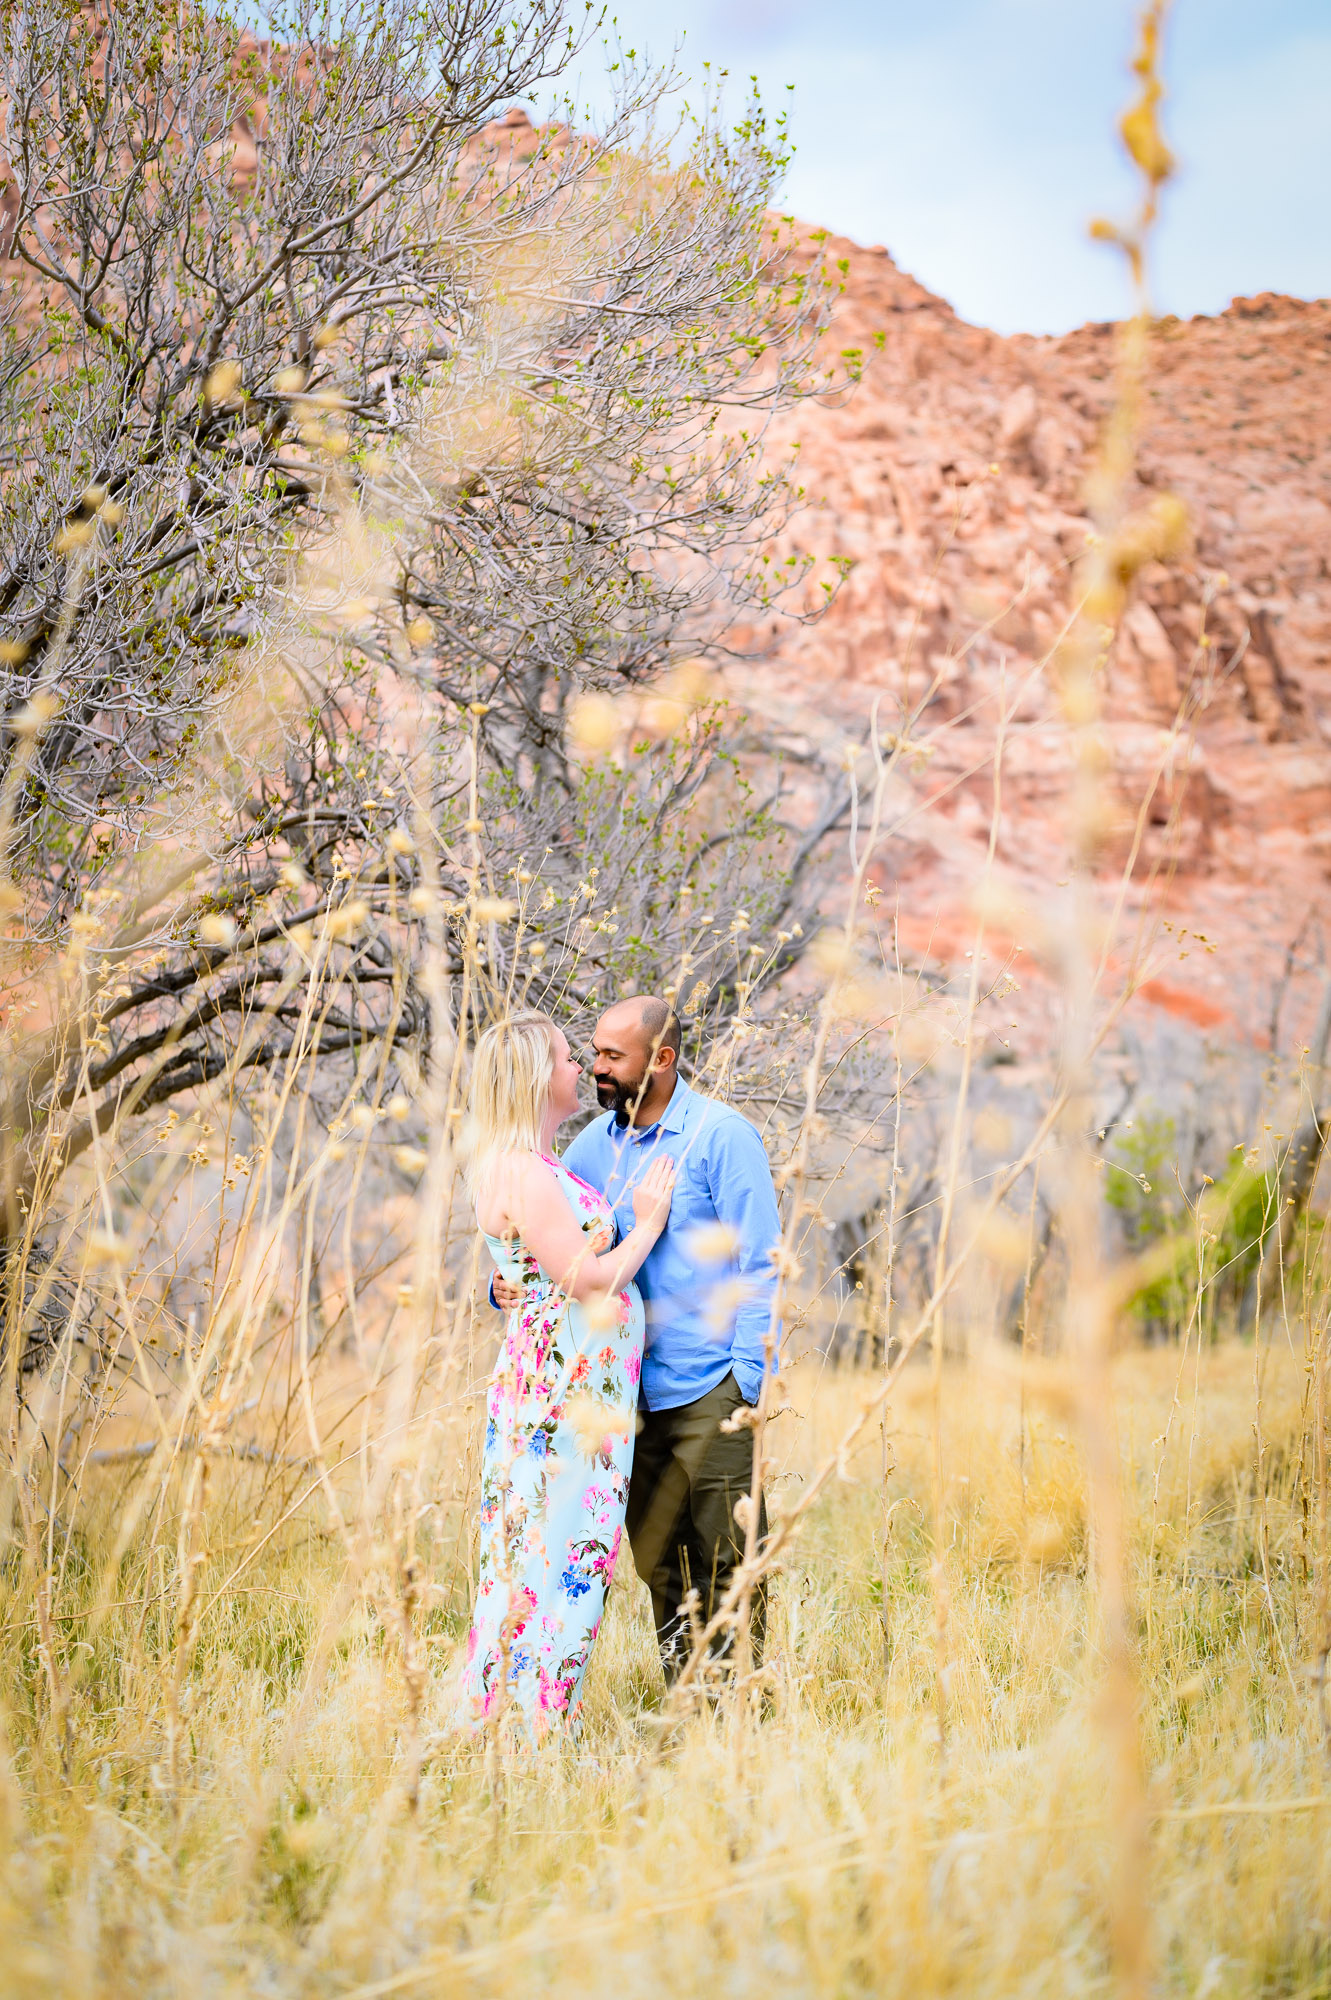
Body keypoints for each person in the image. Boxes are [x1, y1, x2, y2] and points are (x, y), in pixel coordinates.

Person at [492, 995, 782, 1681]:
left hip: (709, 1386)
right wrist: (505, 1287)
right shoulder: (592, 1148)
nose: (595, 1067)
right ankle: (687, 1700)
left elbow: (761, 1263)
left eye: (610, 1057)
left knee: (728, 1558)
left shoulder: (721, 1136)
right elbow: (559, 1254)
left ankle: (739, 1714)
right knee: (658, 1564)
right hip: (619, 1396)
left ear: (662, 1060)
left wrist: (747, 1382)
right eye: (590, 1053)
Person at [460, 1010, 676, 1737]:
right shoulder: (522, 1170)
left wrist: (508, 1287)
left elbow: (533, 1271)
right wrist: (646, 1223)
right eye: (561, 1058)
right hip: (564, 1394)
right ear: (531, 1078)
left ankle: (519, 1718)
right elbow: (590, 1281)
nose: (575, 1068)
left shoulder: (536, 1164)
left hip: (569, 1382)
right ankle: (532, 1729)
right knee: (558, 1553)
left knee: (543, 1550)